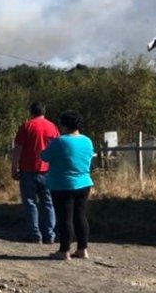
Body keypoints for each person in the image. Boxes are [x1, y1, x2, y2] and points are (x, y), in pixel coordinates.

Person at [41, 110, 94, 260]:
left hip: (62, 184)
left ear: (63, 125)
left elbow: (44, 156)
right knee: (81, 217)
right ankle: (82, 249)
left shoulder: (60, 141)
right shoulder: (87, 141)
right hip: (84, 182)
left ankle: (64, 250)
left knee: (65, 218)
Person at [11, 102, 60, 244]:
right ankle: (49, 234)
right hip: (48, 170)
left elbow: (18, 150)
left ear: (31, 112)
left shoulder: (27, 126)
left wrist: (14, 168)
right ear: (44, 111)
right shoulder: (53, 127)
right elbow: (57, 148)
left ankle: (34, 233)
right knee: (48, 202)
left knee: (30, 202)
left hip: (28, 169)